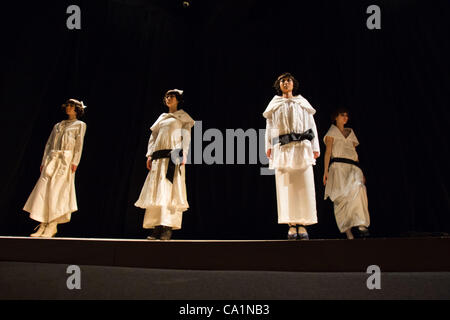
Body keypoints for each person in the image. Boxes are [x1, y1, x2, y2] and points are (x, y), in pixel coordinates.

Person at [263, 73, 320, 240]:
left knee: (303, 185)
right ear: (278, 85)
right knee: (286, 186)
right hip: (284, 148)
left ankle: (302, 224)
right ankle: (291, 224)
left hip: (302, 148)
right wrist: (268, 147)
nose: (285, 83)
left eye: (288, 80)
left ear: (293, 84)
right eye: (282, 81)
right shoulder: (275, 104)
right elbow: (270, 126)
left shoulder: (302, 103)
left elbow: (311, 125)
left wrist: (315, 147)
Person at [135, 89, 194, 240]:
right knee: (157, 191)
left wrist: (184, 153)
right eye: (167, 96)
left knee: (169, 190)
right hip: (158, 157)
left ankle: (167, 227)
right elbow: (153, 137)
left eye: (172, 96)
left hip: (173, 156)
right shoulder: (162, 117)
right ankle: (157, 227)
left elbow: (186, 136)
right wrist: (149, 155)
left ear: (178, 99)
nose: (168, 98)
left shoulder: (182, 117)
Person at [23, 99, 87, 237]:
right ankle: (43, 223)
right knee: (44, 190)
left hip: (66, 160)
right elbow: (49, 144)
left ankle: (52, 224)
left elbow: (78, 145)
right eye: (67, 106)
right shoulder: (58, 125)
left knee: (58, 191)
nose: (68, 108)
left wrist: (75, 161)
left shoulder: (80, 125)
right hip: (52, 159)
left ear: (77, 109)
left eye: (71, 106)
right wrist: (44, 161)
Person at [323, 108, 370, 239]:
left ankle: (361, 224)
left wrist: (361, 170)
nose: (345, 117)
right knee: (342, 197)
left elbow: (355, 152)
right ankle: (348, 231)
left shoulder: (350, 132)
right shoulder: (332, 132)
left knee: (359, 189)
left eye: (347, 116)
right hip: (338, 166)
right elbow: (328, 152)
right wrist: (325, 171)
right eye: (342, 115)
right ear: (335, 117)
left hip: (353, 166)